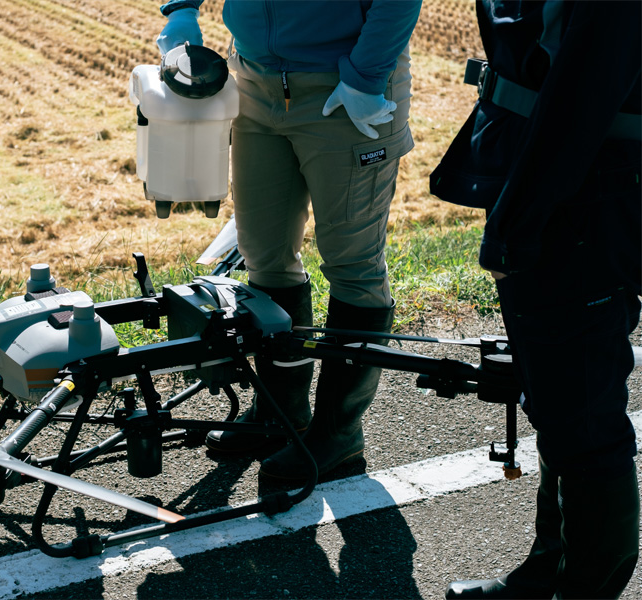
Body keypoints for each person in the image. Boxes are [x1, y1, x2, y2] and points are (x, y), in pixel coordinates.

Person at [156, 0, 421, 480]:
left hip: (347, 88)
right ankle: (282, 414)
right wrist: (181, 9)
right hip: (254, 85)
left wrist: (365, 78)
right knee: (265, 258)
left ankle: (338, 436)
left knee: (353, 267)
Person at [430, 1, 641, 597]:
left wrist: (518, 219)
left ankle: (583, 589)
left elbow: (581, 95)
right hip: (569, 180)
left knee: (580, 410)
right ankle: (549, 571)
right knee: (559, 397)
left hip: (579, 192)